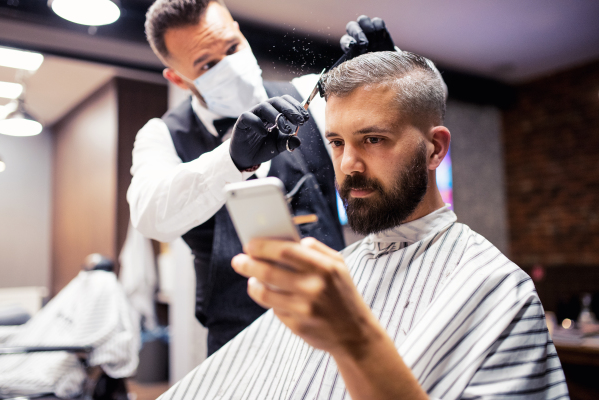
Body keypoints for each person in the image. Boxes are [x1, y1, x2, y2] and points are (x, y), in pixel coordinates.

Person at [156, 51, 569, 400]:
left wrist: (353, 338)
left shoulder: (498, 286)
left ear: (435, 148)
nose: (348, 165)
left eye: (373, 139)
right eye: (336, 143)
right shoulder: (341, 268)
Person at [127, 0, 397, 355]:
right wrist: (231, 159)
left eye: (232, 47)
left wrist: (388, 76)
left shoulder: (310, 96)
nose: (229, 67)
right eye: (207, 65)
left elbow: (390, 145)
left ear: (240, 32)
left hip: (334, 321)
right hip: (236, 345)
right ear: (177, 77)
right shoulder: (162, 135)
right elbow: (150, 216)